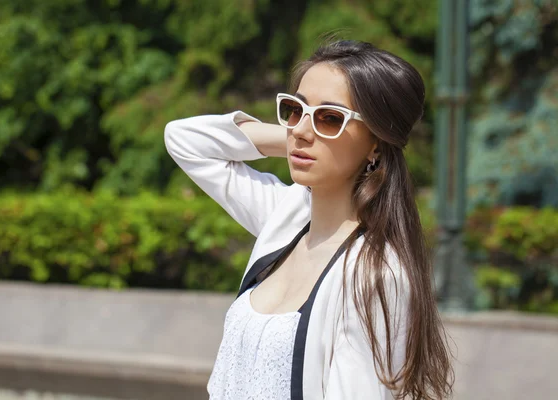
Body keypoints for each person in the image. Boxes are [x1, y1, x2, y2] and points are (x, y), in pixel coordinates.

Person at [164, 40, 454, 400]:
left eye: (330, 118)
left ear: (376, 144)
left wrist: (302, 135)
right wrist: (292, 138)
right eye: (294, 109)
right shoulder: (286, 218)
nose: (301, 129)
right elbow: (185, 140)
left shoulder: (375, 274)